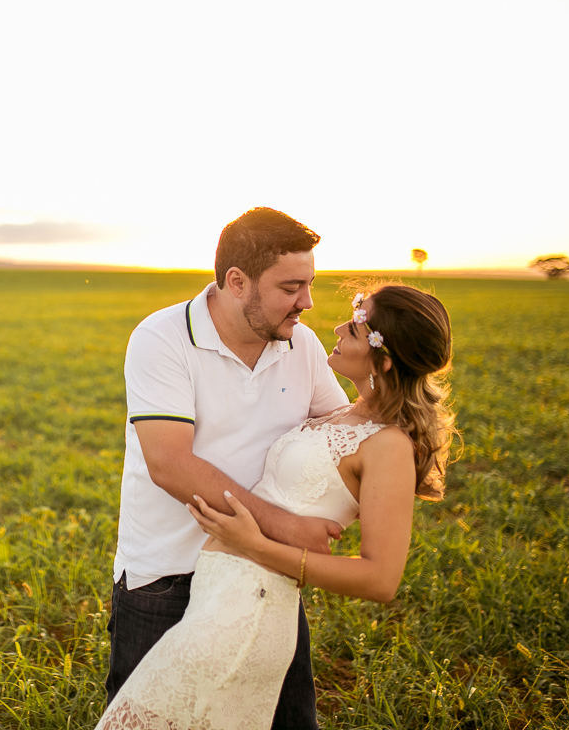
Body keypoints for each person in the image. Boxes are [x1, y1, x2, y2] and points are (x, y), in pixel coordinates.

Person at [96, 284, 457, 730]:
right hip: (216, 593)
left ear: (384, 360)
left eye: (357, 327)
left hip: (247, 606)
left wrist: (257, 543)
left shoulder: (388, 446)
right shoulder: (344, 414)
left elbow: (381, 580)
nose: (338, 326)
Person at [105, 208, 350, 728]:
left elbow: (341, 431)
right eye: (291, 287)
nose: (306, 301)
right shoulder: (162, 338)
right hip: (166, 578)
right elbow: (171, 465)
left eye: (310, 284)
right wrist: (289, 529)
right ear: (236, 282)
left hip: (262, 571)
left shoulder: (300, 342)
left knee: (286, 722)